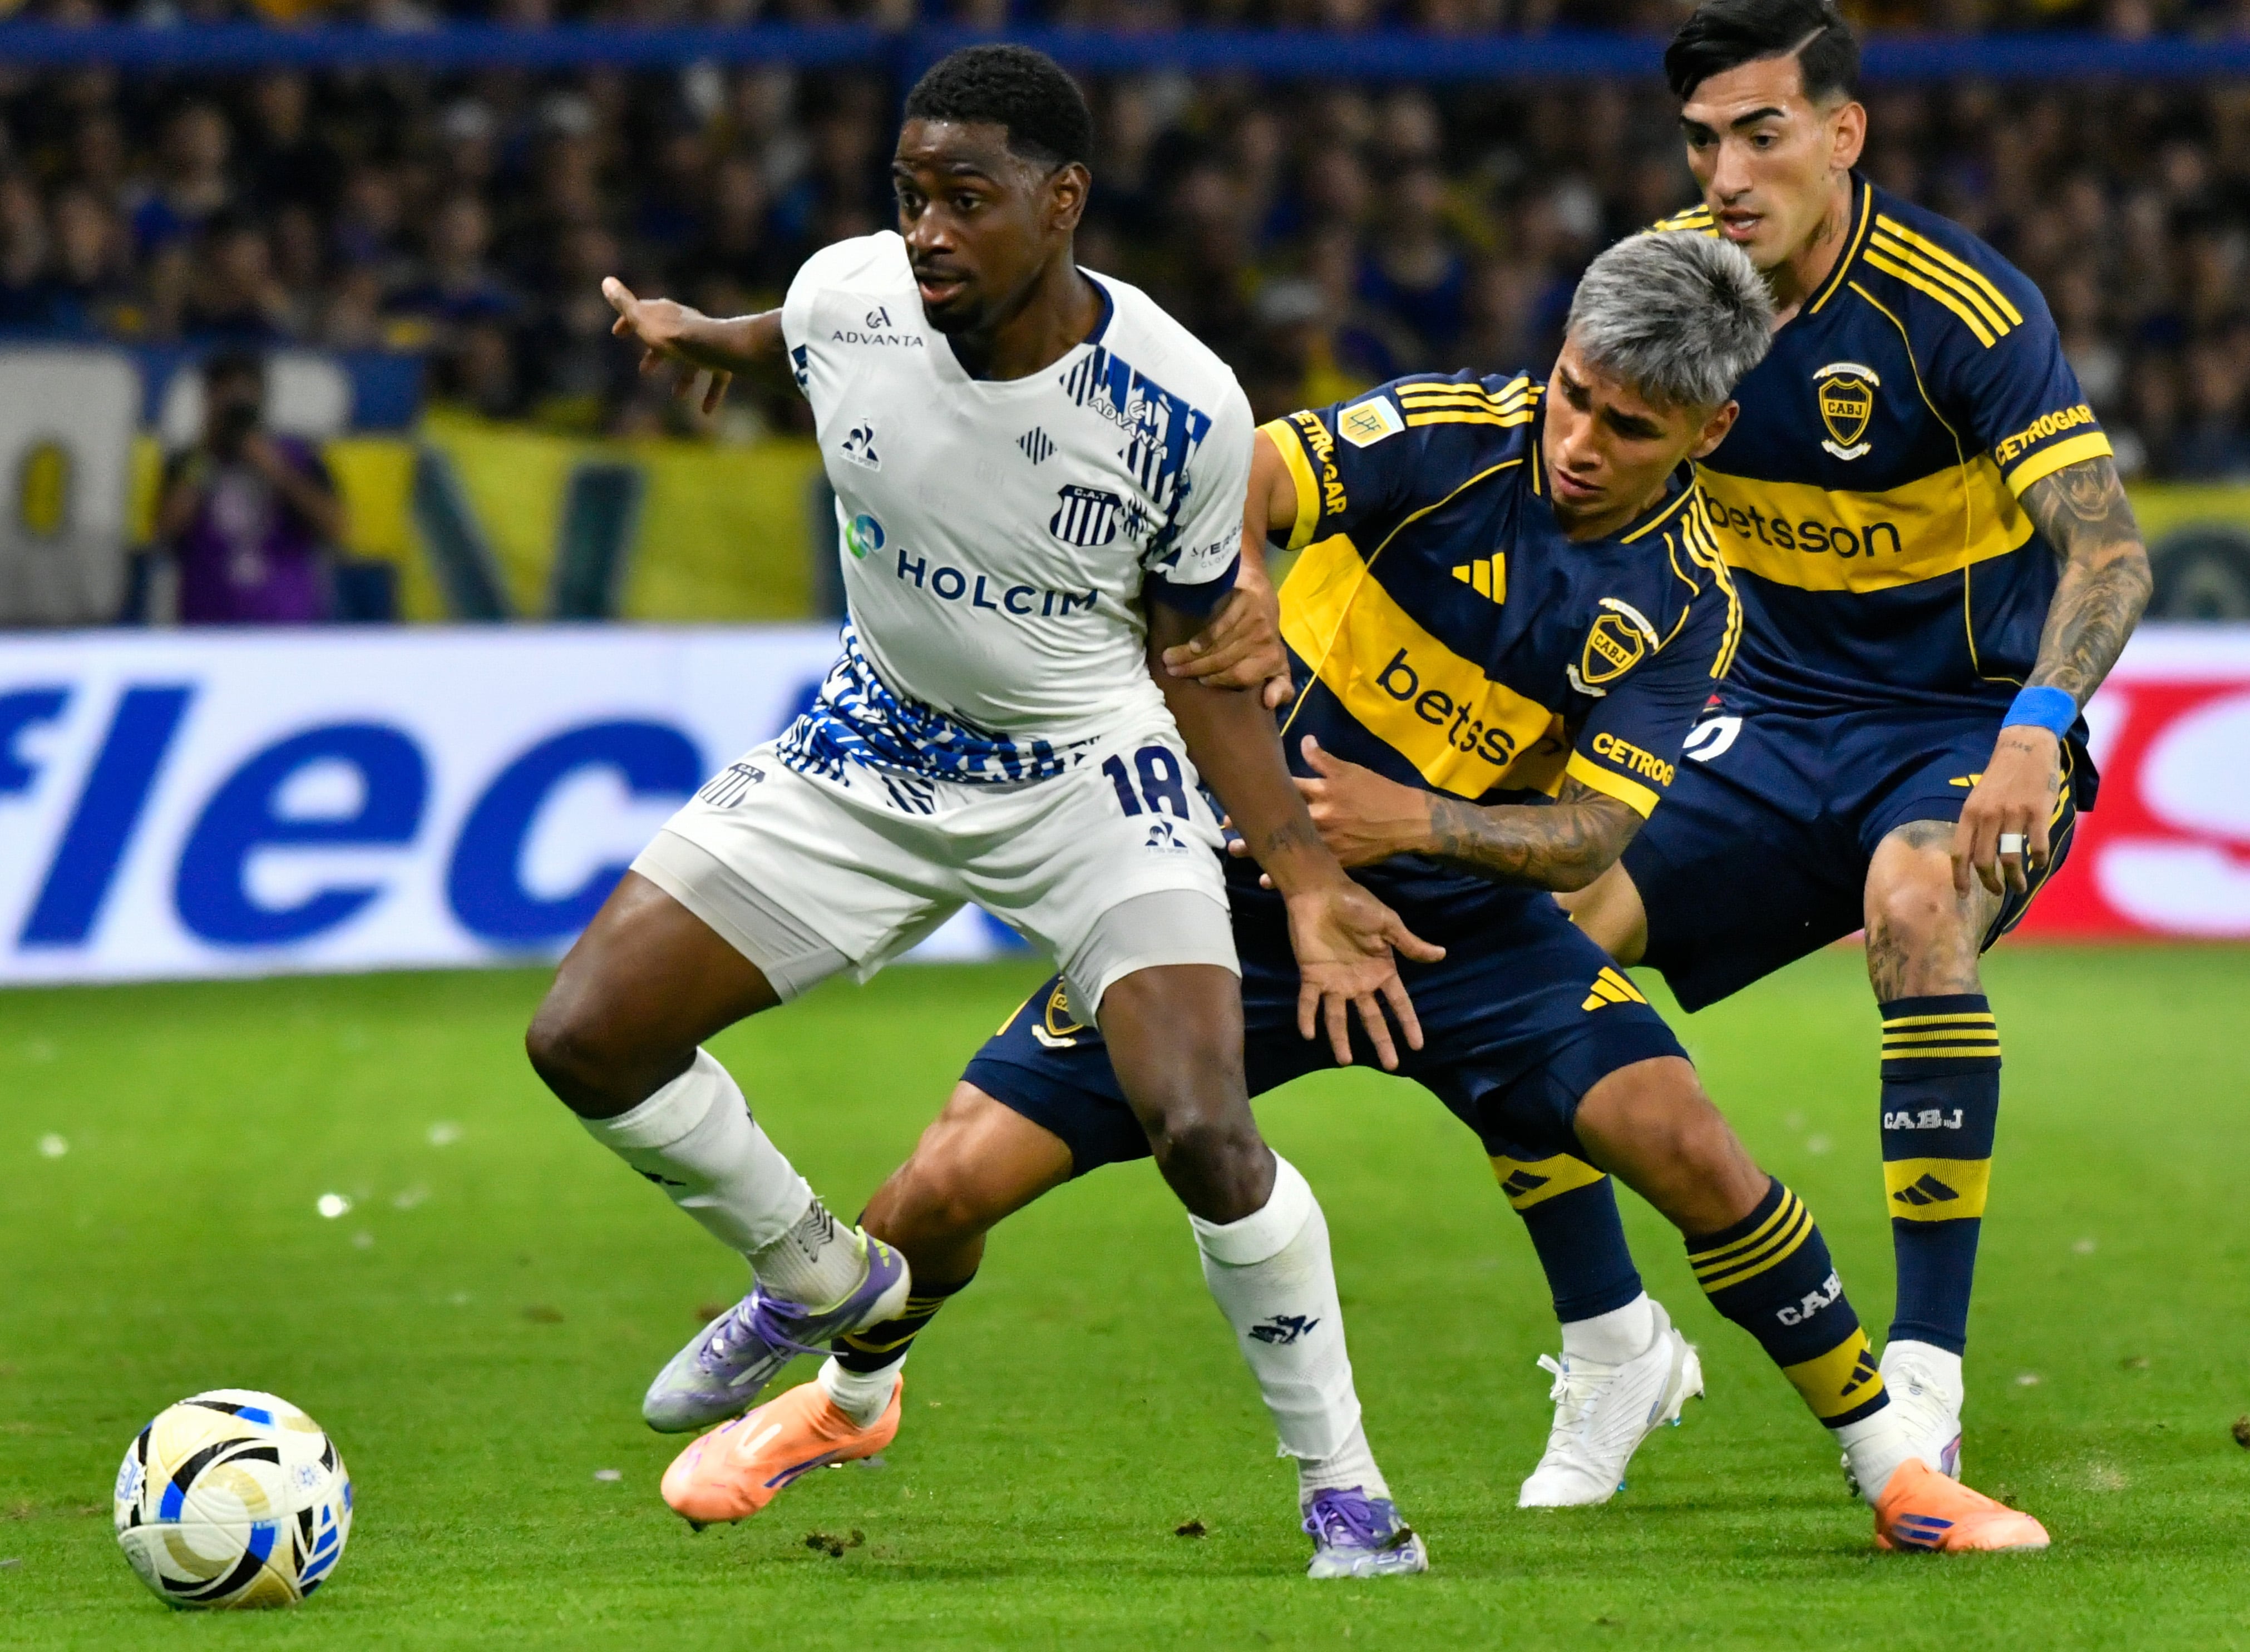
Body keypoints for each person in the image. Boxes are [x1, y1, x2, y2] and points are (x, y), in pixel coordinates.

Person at [693, 231, 2054, 1555]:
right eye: (1575, 392)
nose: (1580, 442)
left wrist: (1422, 821)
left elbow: (1590, 838)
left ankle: (1894, 1471)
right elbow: (1244, 474)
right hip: (1234, 889)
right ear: (1558, 357)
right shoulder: (1451, 431)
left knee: (1691, 1144)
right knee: (944, 1183)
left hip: (1466, 929)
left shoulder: (1694, 598)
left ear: (1706, 433)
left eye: (1630, 428)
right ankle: (853, 1398)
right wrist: (1246, 581)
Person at [521, 45, 1440, 1579]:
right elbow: (792, 338)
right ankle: (821, 1280)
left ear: (1061, 199)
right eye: (908, 195)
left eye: (966, 197)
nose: (927, 230)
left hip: (1090, 770)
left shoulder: (1180, 403)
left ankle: (1345, 1491)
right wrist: (695, 334)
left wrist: (1294, 868)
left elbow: (1211, 663)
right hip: (868, 748)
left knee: (1204, 1127)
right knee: (586, 1036)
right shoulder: (849, 294)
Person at [1530, 0, 2150, 1491]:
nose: (1728, 171)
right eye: (1700, 138)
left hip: (1958, 725)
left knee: (1916, 904)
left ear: (1838, 133)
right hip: (1762, 719)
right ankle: (1611, 1344)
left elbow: (2110, 555)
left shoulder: (1962, 309)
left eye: (1762, 131)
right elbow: (1566, 491)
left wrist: (2033, 729)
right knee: (1527, 946)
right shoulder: (1670, 294)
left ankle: (1923, 1376)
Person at [157, 349, 346, 626]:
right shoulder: (190, 462)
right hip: (208, 625)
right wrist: (208, 456)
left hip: (285, 626)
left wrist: (276, 470)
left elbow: (336, 526)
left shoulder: (297, 457)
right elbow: (166, 528)